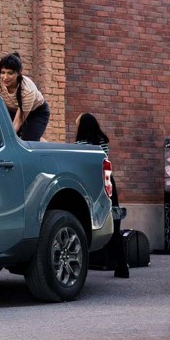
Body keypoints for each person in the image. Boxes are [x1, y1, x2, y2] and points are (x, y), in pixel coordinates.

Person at [75, 113, 129, 278]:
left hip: (91, 184)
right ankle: (121, 266)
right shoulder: (103, 142)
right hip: (107, 181)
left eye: (77, 123)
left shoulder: (79, 145)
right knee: (114, 222)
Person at [0, 52, 50, 141]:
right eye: (3, 72)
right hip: (11, 110)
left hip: (36, 112)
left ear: (18, 73)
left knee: (27, 142)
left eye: (10, 73)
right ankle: (37, 138)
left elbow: (18, 121)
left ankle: (38, 141)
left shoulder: (27, 89)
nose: (5, 77)